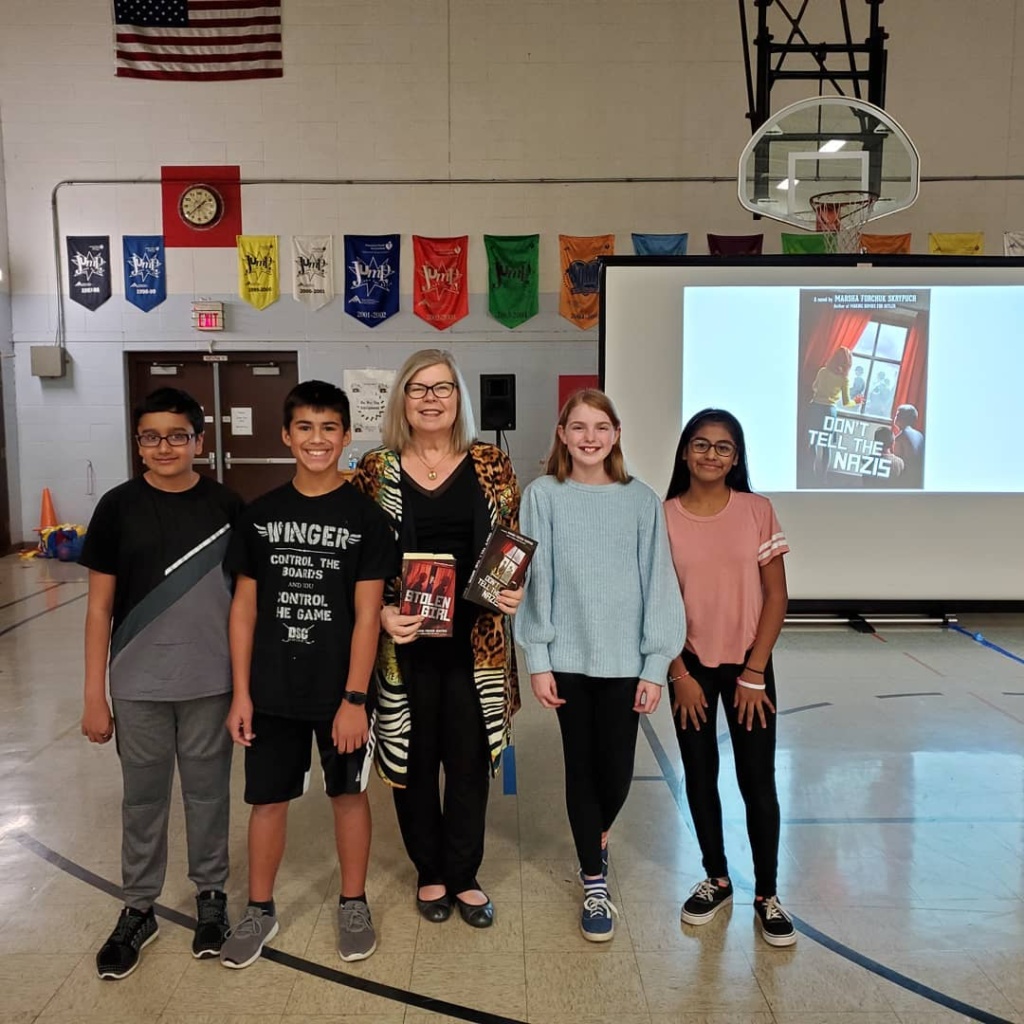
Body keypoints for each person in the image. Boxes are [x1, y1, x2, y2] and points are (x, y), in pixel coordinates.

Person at [220, 381, 398, 968]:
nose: (316, 439)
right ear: (286, 435)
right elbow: (244, 610)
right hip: (271, 690)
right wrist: (241, 693)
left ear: (347, 436)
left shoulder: (366, 519)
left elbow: (368, 615)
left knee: (348, 794)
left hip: (338, 692)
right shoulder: (260, 515)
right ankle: (260, 909)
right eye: (304, 427)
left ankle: (353, 902)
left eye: (328, 428)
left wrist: (355, 698)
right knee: (267, 800)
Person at [353, 349, 522, 929]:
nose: (431, 399)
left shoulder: (491, 462)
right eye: (419, 388)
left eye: (442, 388)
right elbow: (359, 562)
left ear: (459, 398)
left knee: (470, 760)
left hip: (476, 644)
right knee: (414, 758)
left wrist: (513, 592)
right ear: (402, 398)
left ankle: (465, 873)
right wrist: (380, 614)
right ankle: (429, 868)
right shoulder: (375, 469)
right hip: (404, 644)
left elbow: (510, 543)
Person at [79, 387, 243, 979]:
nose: (164, 447)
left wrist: (244, 686)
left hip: (210, 680)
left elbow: (245, 604)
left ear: (200, 441)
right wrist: (94, 694)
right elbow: (99, 608)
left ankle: (211, 898)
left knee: (208, 795)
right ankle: (138, 908)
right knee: (142, 800)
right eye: (151, 437)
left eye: (177, 435)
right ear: (138, 443)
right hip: (137, 684)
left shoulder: (227, 506)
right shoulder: (117, 507)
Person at [515, 389, 685, 942]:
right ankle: (594, 879)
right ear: (562, 435)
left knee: (616, 771)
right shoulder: (542, 495)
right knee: (581, 768)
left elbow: (659, 583)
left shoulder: (641, 500)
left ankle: (597, 835)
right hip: (567, 658)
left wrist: (655, 665)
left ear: (616, 435)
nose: (590, 437)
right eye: (579, 427)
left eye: (601, 427)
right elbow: (535, 581)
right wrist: (538, 659)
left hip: (625, 661)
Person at [663, 408, 796, 947]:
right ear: (685, 452)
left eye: (723, 447)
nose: (711, 455)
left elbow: (777, 596)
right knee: (699, 776)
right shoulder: (663, 517)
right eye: (701, 444)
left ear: (736, 457)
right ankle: (717, 878)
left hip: (749, 666)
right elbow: (655, 604)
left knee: (757, 780)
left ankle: (767, 894)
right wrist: (677, 671)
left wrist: (755, 671)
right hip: (688, 665)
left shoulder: (757, 511)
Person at [808, 346, 856, 481]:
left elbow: (814, 387)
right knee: (826, 445)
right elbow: (846, 402)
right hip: (830, 411)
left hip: (816, 407)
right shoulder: (844, 379)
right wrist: (856, 401)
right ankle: (823, 477)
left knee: (813, 442)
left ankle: (811, 473)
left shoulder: (823, 372)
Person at [893, 404, 924, 488]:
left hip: (905, 480)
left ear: (902, 418)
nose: (895, 417)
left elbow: (897, 465)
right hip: (918, 479)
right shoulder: (919, 435)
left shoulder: (900, 438)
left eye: (897, 415)